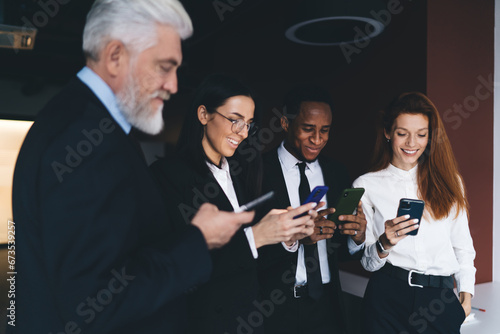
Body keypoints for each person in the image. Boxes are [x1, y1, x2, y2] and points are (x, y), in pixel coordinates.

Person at [10, 1, 255, 333]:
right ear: (115, 56)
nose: (173, 85)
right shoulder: (85, 139)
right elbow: (94, 303)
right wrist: (199, 239)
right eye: (164, 67)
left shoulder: (80, 122)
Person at [150, 74, 317, 333]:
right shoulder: (168, 175)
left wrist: (286, 235)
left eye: (248, 123)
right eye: (234, 120)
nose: (242, 132)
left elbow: (253, 261)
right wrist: (255, 237)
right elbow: (177, 263)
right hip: (202, 322)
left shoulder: (242, 174)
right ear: (204, 115)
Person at [353, 92, 476, 334]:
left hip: (439, 301)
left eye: (421, 134)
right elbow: (367, 263)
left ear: (430, 137)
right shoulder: (365, 186)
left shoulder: (451, 182)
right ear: (388, 132)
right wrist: (384, 243)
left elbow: (462, 246)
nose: (412, 143)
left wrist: (466, 296)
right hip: (386, 299)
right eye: (402, 133)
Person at [257, 85, 367, 334]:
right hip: (275, 309)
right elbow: (245, 252)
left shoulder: (337, 172)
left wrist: (357, 236)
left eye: (325, 130)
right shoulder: (257, 172)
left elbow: (341, 249)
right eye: (308, 129)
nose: (317, 139)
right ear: (285, 123)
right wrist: (294, 239)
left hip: (328, 306)